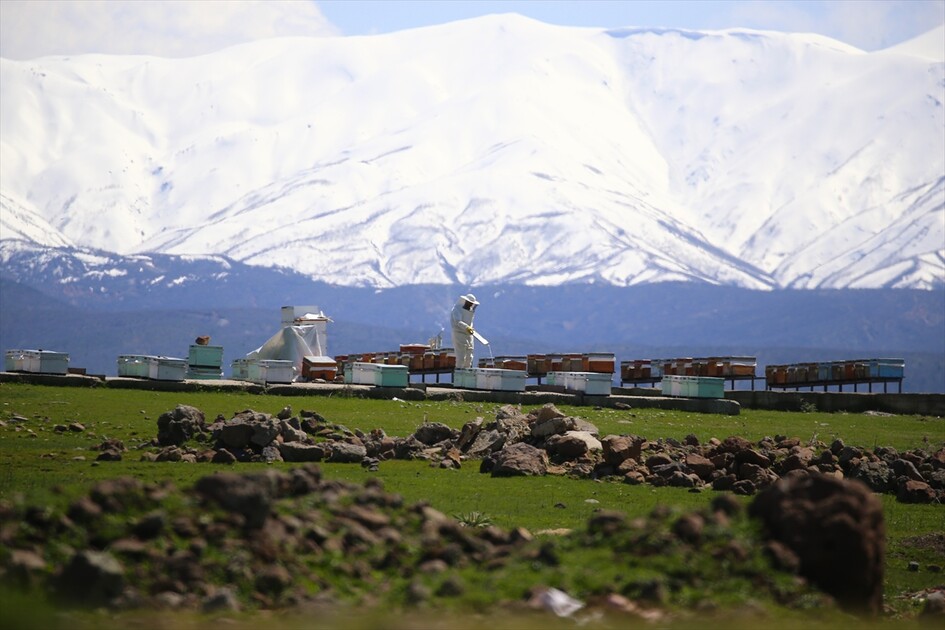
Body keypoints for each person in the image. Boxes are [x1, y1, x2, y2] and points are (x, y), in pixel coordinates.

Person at [450, 293, 479, 369]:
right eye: (470, 303)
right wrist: (467, 327)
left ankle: (467, 374)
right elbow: (457, 321)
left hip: (469, 334)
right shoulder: (457, 309)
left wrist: (470, 329)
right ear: (465, 301)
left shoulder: (470, 311)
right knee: (461, 356)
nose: (471, 305)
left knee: (469, 356)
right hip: (459, 334)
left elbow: (470, 322)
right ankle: (459, 374)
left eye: (472, 303)